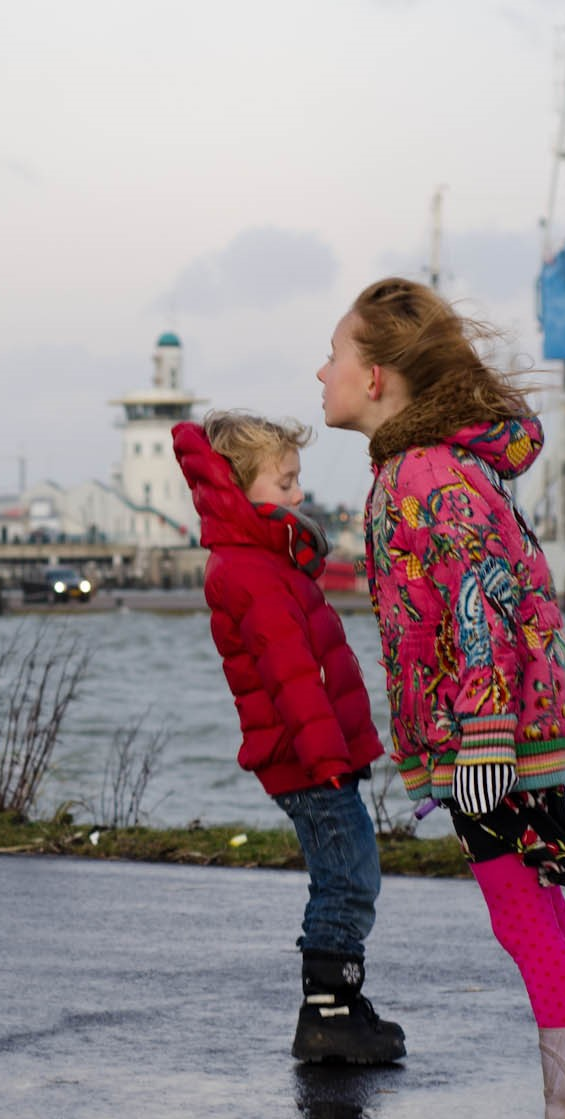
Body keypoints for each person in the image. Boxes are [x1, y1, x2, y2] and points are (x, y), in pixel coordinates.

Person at [316, 276, 565, 1119]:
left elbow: (477, 598)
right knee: (542, 902)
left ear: (379, 375)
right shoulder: (429, 466)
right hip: (507, 723)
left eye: (336, 354)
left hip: (493, 734)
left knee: (520, 910)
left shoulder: (424, 472)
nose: (322, 372)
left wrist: (484, 736)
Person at [173, 410, 405, 1065]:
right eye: (286, 482)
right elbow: (292, 675)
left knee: (348, 871)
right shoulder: (250, 569)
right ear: (243, 489)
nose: (299, 494)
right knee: (345, 878)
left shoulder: (266, 560)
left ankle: (340, 1001)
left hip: (315, 755)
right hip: (309, 760)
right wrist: (330, 760)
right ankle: (327, 1014)